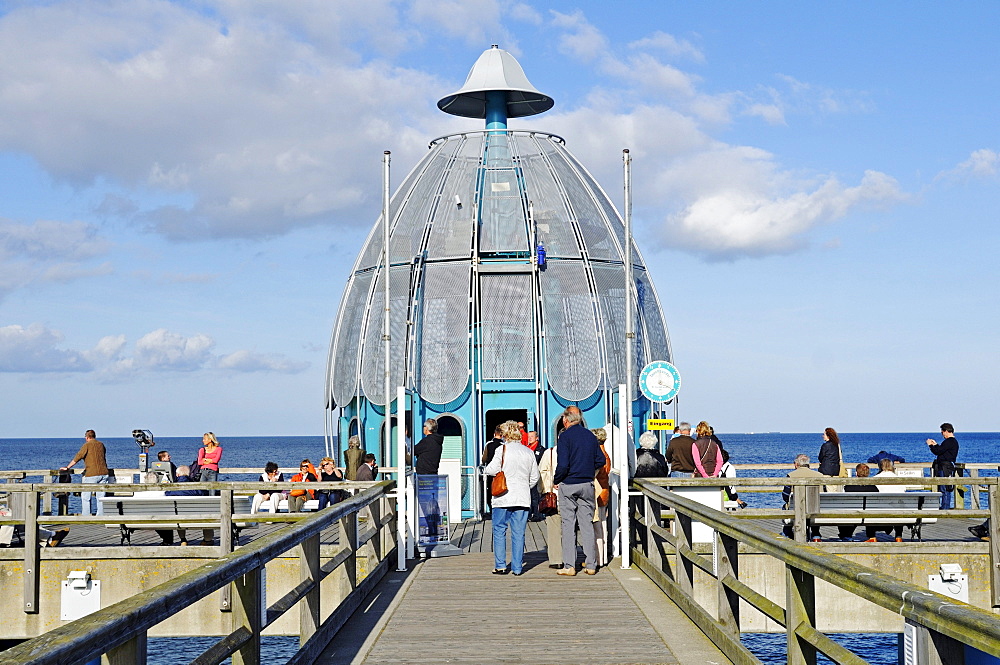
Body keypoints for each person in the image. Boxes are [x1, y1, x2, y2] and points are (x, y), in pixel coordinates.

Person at [553, 406, 605, 575]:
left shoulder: (564, 437)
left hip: (569, 484)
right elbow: (601, 460)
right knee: (586, 524)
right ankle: (591, 564)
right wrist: (589, 471)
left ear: (565, 420)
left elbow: (563, 464)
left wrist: (556, 479)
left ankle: (569, 565)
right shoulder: (590, 436)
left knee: (568, 525)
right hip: (587, 484)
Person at [484, 421, 540, 576]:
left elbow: (491, 469)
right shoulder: (528, 452)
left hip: (502, 497)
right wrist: (524, 486)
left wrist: (487, 469)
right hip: (521, 497)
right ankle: (517, 568)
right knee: (518, 532)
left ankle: (501, 565)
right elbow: (535, 477)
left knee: (499, 530)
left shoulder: (502, 450)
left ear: (505, 434)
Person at [61, 429, 109, 516]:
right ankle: (101, 516)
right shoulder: (101, 444)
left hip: (92, 474)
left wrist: (67, 467)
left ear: (87, 437)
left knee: (86, 496)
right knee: (101, 497)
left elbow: (78, 457)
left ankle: (86, 516)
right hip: (104, 473)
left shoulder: (87, 445)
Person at [166, 465, 214, 546]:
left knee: (178, 515)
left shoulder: (173, 489)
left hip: (180, 519)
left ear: (177, 475)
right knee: (206, 515)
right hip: (198, 518)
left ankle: (183, 540)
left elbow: (166, 494)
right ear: (188, 474)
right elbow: (204, 493)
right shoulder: (196, 488)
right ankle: (207, 540)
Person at [781, 454, 825, 541]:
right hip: (815, 509)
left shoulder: (791, 475)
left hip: (797, 509)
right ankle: (816, 534)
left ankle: (788, 534)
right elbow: (824, 493)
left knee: (785, 508)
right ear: (808, 464)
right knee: (815, 507)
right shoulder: (819, 475)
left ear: (797, 464)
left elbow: (785, 495)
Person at [839, 463, 882, 541]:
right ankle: (872, 536)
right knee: (870, 511)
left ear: (856, 473)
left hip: (854, 514)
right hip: (869, 515)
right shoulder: (873, 487)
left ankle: (846, 535)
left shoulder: (848, 487)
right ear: (868, 473)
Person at [536, 439, 562, 569]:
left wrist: (543, 491)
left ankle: (556, 559)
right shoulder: (577, 450)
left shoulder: (550, 452)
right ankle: (571, 557)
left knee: (553, 527)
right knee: (571, 527)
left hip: (554, 495)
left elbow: (541, 473)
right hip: (573, 495)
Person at [591, 428, 612, 567]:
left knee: (597, 526)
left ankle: (598, 558)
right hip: (605, 490)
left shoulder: (598, 455)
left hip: (598, 492)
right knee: (602, 525)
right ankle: (602, 557)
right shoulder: (606, 455)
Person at [872, 458, 906, 542]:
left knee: (871, 508)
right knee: (898, 507)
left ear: (880, 467)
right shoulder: (899, 479)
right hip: (896, 512)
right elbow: (903, 490)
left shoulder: (874, 479)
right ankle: (898, 536)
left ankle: (872, 536)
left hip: (878, 512)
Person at [927, 423, 959, 509]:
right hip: (946, 467)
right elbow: (941, 450)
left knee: (945, 488)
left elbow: (938, 452)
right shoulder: (952, 442)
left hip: (945, 467)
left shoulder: (949, 441)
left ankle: (945, 508)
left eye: (942, 432)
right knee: (945, 488)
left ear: (945, 431)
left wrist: (930, 445)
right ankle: (945, 507)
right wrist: (935, 445)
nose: (942, 434)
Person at [482, 425, 504, 514]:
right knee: (501, 490)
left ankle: (491, 509)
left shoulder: (488, 444)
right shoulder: (503, 446)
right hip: (500, 472)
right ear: (502, 435)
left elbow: (484, 458)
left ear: (494, 434)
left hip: (490, 472)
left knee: (490, 491)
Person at [526, 431, 546, 520]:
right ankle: (530, 513)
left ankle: (537, 514)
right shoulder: (526, 449)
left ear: (537, 438)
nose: (529, 438)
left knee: (536, 496)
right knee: (529, 496)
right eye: (528, 436)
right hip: (527, 476)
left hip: (537, 476)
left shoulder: (541, 450)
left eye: (532, 436)